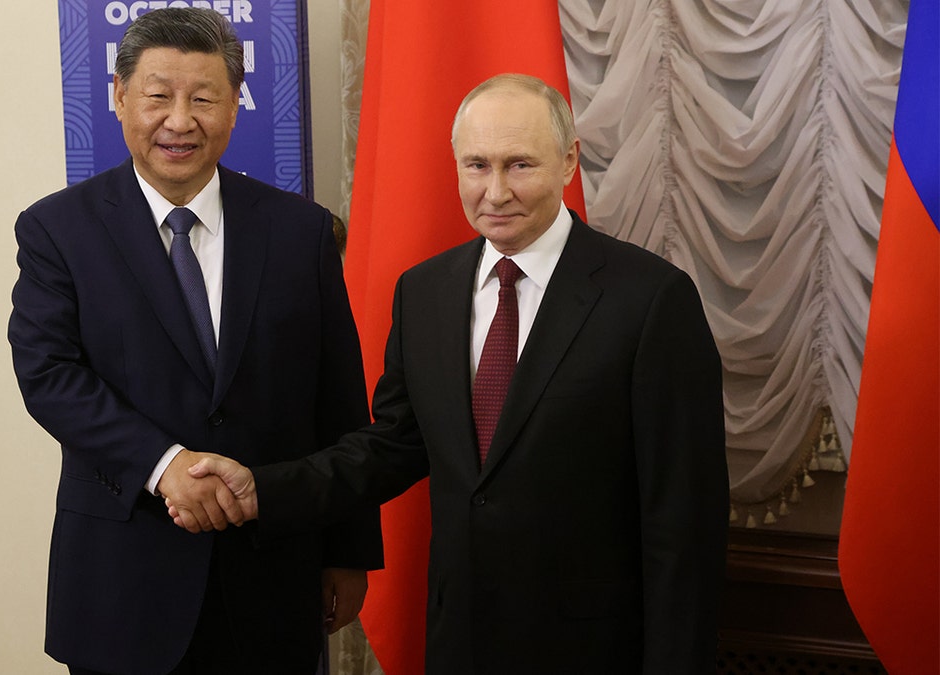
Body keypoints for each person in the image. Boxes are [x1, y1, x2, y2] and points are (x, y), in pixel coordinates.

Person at [172, 74, 729, 674]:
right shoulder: (426, 291)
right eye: (476, 165)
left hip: (596, 649)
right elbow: (390, 446)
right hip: (460, 640)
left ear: (568, 161)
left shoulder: (650, 301)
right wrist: (264, 488)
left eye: (520, 165)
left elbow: (684, 523)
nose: (495, 192)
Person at [7, 8, 382, 675]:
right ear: (120, 98)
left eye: (204, 98)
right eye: (157, 96)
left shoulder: (301, 233)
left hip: (273, 577)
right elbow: (50, 375)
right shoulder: (58, 231)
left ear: (237, 105)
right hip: (123, 585)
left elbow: (339, 399)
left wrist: (348, 551)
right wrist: (164, 463)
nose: (179, 120)